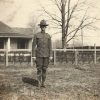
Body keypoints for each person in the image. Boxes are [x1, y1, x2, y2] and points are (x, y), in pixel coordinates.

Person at [32, 20, 53, 87]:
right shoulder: (36, 35)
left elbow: (50, 46)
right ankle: (38, 82)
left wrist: (51, 55)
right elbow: (33, 46)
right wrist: (33, 56)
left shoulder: (48, 36)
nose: (43, 27)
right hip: (39, 55)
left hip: (46, 55)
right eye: (42, 26)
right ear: (40, 27)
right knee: (39, 69)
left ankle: (43, 83)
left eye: (44, 26)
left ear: (45, 27)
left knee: (44, 69)